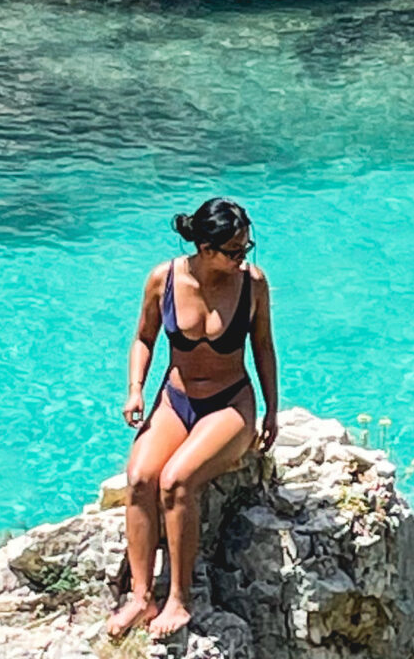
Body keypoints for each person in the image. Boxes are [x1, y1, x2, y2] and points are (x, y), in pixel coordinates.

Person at [105, 198, 279, 639]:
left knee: (177, 481)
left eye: (246, 248)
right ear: (205, 247)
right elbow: (144, 338)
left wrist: (272, 408)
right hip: (175, 398)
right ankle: (141, 596)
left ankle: (180, 600)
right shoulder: (163, 279)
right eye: (234, 250)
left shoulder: (252, 284)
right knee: (142, 476)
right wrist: (135, 390)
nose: (243, 258)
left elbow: (263, 346)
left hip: (229, 403)